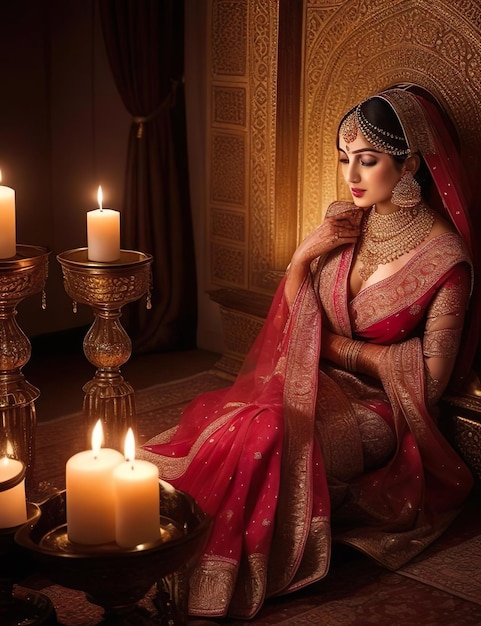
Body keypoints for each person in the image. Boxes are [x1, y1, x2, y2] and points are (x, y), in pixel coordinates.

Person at [139, 87, 478, 620]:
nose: (353, 176)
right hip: (311, 374)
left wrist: (345, 354)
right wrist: (302, 258)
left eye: (368, 161)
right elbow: (303, 316)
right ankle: (167, 535)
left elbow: (430, 382)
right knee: (248, 422)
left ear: (410, 162)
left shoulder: (445, 260)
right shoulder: (345, 225)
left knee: (270, 431)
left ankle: (218, 565)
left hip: (383, 406)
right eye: (345, 160)